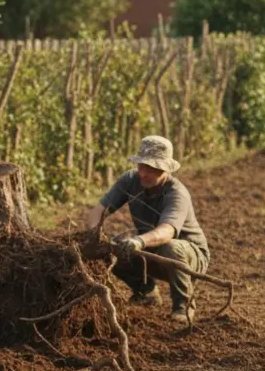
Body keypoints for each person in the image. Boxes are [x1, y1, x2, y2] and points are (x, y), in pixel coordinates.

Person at [84, 135, 210, 325]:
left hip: (190, 257)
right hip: (151, 250)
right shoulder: (130, 180)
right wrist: (94, 234)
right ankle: (146, 292)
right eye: (141, 166)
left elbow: (167, 231)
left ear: (165, 168)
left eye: (150, 168)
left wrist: (139, 241)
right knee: (111, 247)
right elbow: (98, 211)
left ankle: (183, 306)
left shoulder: (176, 193)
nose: (143, 173)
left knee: (170, 247)